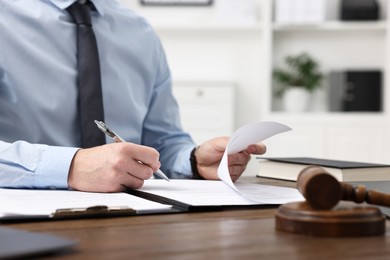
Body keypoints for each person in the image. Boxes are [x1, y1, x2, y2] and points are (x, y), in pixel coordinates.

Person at [0, 0, 266, 192]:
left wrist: (193, 162)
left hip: (130, 218)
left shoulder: (139, 31)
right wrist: (71, 167)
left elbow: (162, 141)